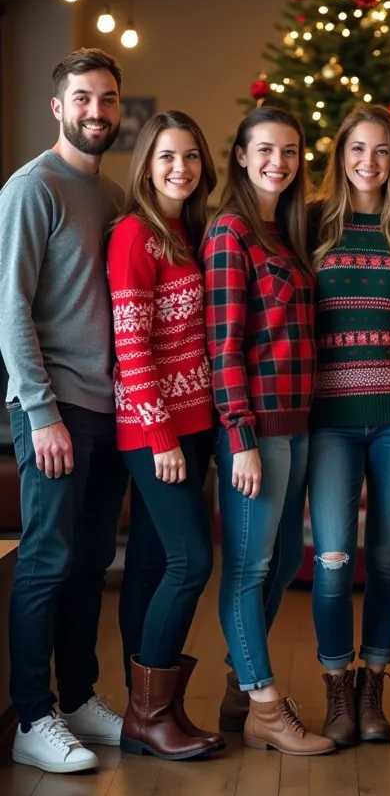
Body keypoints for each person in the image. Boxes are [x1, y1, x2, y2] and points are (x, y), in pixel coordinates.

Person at [0, 49, 128, 773]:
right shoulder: (32, 188)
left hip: (108, 410)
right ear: (59, 106)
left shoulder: (109, 197)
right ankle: (32, 716)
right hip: (54, 409)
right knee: (45, 562)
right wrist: (40, 410)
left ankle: (78, 698)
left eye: (107, 99)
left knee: (87, 563)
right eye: (83, 98)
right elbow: (10, 307)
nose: (96, 111)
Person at [204, 107, 334, 756]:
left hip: (299, 422)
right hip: (257, 427)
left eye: (289, 151)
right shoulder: (230, 232)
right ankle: (263, 703)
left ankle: (237, 685)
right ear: (242, 155)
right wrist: (239, 435)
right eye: (265, 150)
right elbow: (223, 344)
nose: (278, 161)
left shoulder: (286, 234)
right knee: (250, 567)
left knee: (283, 561)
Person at [308, 106, 390, 748]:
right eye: (358, 148)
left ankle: (373, 683)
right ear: (340, 154)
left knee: (386, 559)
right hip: (329, 420)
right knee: (332, 560)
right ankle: (336, 685)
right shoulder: (311, 224)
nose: (369, 161)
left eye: (382, 151)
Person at [108, 111, 224, 760]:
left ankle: (155, 707)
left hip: (198, 424)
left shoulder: (192, 231)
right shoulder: (135, 236)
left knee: (154, 565)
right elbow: (132, 347)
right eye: (167, 158)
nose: (181, 169)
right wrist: (160, 438)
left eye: (190, 157)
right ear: (147, 166)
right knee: (191, 562)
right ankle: (147, 716)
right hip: (157, 432)